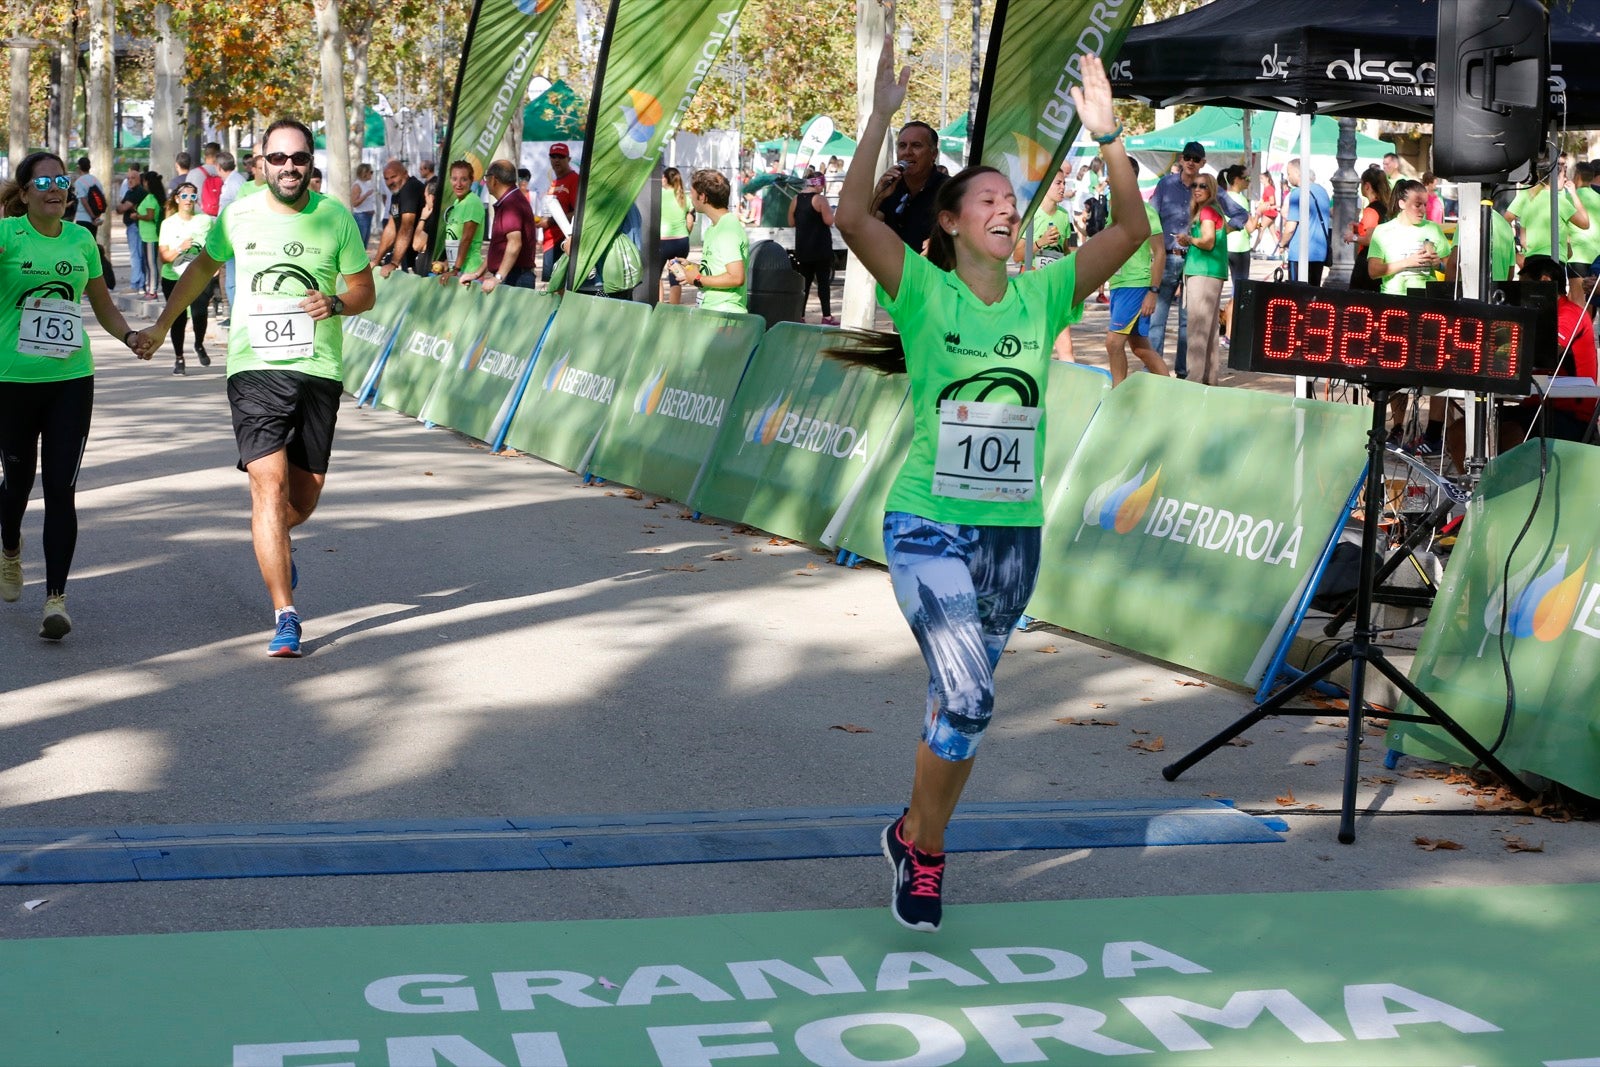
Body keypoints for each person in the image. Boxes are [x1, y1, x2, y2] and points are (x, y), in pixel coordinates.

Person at [833, 40, 1148, 933]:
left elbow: (1130, 234)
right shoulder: (925, 293)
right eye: (989, 201)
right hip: (929, 523)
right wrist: (882, 116)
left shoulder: (1042, 295)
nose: (1007, 209)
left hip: (1013, 538)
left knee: (956, 714)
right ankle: (928, 854)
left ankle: (910, 833)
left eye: (1013, 201)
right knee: (969, 694)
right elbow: (853, 212)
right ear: (951, 224)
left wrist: (1110, 137)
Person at [136, 119, 374, 658]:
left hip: (318, 367)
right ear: (260, 162)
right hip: (254, 366)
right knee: (268, 485)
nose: (289, 167)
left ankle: (275, 539)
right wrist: (159, 324)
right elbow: (201, 270)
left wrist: (335, 302)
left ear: (311, 163)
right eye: (278, 158)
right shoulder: (238, 214)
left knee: (302, 496)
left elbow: (364, 291)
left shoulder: (335, 217)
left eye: (299, 158)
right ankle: (285, 615)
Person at [0, 152, 151, 639]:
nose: (55, 187)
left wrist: (129, 336)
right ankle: (8, 547)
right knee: (17, 483)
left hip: (71, 380)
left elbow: (102, 305)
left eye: (62, 180)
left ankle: (55, 600)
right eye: (42, 181)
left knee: (61, 489)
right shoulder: (6, 237)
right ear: (23, 193)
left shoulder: (81, 239)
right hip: (12, 382)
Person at [1369, 178, 1457, 452]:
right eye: (1417, 204)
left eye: (1426, 204)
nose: (1423, 209)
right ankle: (1396, 427)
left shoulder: (1432, 228)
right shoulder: (1384, 231)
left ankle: (1433, 433)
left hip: (1429, 305)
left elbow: (1447, 258)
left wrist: (1437, 261)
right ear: (1401, 203)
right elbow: (1373, 271)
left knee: (1436, 368)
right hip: (1395, 304)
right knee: (1394, 368)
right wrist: (1408, 262)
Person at [1103, 157, 1169, 385]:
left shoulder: (1145, 211)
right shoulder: (1113, 210)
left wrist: (1153, 290)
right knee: (1140, 348)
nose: (1111, 178)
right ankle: (1171, 391)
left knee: (1113, 343)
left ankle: (1116, 397)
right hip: (1119, 286)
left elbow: (1160, 252)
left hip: (1137, 285)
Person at [1150, 140, 1204, 378]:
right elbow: (1151, 217)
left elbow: (1238, 215)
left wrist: (1213, 238)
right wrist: (1155, 251)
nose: (1191, 162)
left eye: (1196, 158)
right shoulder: (1166, 185)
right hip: (1168, 258)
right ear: (1181, 159)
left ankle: (1183, 372)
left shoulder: (1207, 187)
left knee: (1187, 323)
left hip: (1195, 261)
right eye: (1188, 157)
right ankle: (1153, 370)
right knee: (1157, 318)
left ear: (1203, 162)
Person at [157, 181, 218, 374]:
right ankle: (179, 358)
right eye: (184, 196)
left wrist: (215, 265)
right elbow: (164, 258)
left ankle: (199, 344)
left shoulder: (205, 220)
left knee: (200, 314)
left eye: (192, 196)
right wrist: (180, 248)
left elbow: (215, 247)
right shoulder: (168, 224)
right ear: (177, 199)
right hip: (173, 277)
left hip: (198, 276)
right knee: (178, 318)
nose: (188, 200)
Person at [1178, 173, 1228, 386]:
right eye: (1194, 185)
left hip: (1203, 273)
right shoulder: (1213, 210)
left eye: (1203, 186)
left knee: (1197, 328)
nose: (1197, 189)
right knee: (1209, 330)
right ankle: (1209, 378)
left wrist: (1188, 239)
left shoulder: (1207, 211)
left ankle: (1194, 378)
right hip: (1212, 272)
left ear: (1212, 190)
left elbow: (1207, 242)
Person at [460, 158, 538, 292]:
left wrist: (498, 277)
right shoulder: (510, 200)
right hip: (512, 275)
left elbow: (514, 244)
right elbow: (498, 247)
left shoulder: (511, 203)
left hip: (515, 278)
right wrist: (477, 274)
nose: (486, 182)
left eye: (486, 178)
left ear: (494, 179)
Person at [870, 120, 948, 250]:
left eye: (916, 145)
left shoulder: (949, 189)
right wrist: (878, 194)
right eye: (902, 146)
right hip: (894, 267)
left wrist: (943, 241)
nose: (908, 152)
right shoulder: (892, 185)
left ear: (933, 154)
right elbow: (865, 228)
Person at [676, 169, 747, 313]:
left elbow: (736, 277)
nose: (691, 199)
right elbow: (717, 269)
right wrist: (693, 267)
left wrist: (696, 279)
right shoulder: (714, 228)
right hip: (711, 310)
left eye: (692, 193)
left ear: (702, 197)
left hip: (724, 313)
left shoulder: (727, 230)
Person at [1505, 164, 1591, 262]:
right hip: (1554, 261)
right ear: (1555, 178)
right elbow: (1585, 223)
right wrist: (1574, 194)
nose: (1566, 179)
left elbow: (1524, 240)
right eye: (1564, 175)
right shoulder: (1558, 201)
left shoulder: (1528, 200)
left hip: (1531, 260)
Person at [1216, 164, 1256, 345]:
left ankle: (1221, 329)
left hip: (1225, 247)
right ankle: (1230, 335)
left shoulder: (1222, 197)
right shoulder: (1240, 200)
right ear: (1236, 180)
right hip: (1240, 249)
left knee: (1218, 291)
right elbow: (1250, 227)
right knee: (1238, 293)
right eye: (1246, 178)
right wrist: (1260, 212)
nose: (1249, 181)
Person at [790, 172, 837, 324]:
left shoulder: (796, 199)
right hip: (821, 248)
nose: (823, 188)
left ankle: (800, 315)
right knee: (823, 283)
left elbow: (791, 222)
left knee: (804, 284)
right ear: (817, 183)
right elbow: (829, 221)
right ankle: (827, 316)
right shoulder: (820, 199)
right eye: (822, 184)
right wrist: (834, 212)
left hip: (803, 248)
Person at [1276, 158, 1331, 286]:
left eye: (1289, 173)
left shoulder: (1298, 193)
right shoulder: (1322, 191)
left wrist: (1282, 244)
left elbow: (1290, 227)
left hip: (1300, 252)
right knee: (1313, 294)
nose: (1288, 178)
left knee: (1296, 295)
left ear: (1297, 173)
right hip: (1319, 252)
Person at [372, 160, 425, 276]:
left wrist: (394, 263)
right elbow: (391, 228)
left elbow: (407, 226)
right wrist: (376, 260)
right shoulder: (397, 194)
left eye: (393, 177)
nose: (390, 182)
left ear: (405, 174)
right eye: (386, 179)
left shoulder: (410, 188)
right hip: (410, 254)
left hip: (424, 254)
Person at [537, 143, 580, 283]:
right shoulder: (554, 182)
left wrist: (549, 221)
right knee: (550, 287)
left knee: (559, 287)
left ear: (569, 159)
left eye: (561, 157)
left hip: (563, 243)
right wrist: (540, 221)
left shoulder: (574, 180)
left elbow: (578, 213)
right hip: (549, 242)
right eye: (553, 156)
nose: (556, 160)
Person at [436, 160, 485, 282]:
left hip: (469, 271)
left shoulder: (472, 202)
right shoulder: (458, 203)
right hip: (457, 270)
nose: (458, 184)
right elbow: (455, 240)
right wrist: (447, 264)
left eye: (463, 179)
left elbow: (466, 239)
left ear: (471, 180)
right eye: (454, 179)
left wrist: (455, 269)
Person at [1345, 165, 1390, 292]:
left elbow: (1370, 239)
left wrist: (1352, 237)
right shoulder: (1385, 208)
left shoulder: (1371, 210)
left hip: (1367, 261)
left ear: (1367, 186)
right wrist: (1359, 228)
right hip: (1382, 259)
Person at [659, 167, 694, 305]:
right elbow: (690, 221)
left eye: (662, 177)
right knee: (676, 277)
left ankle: (659, 306)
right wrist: (685, 234)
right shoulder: (684, 196)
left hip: (663, 241)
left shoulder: (659, 194)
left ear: (666, 179)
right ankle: (674, 309)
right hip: (681, 241)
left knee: (655, 276)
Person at [117, 164, 148, 296]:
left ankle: (137, 284)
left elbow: (122, 208)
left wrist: (125, 206)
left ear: (139, 179)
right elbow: (119, 208)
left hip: (136, 227)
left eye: (133, 178)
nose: (130, 180)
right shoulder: (130, 191)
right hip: (132, 226)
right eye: (128, 178)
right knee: (137, 255)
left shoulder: (138, 192)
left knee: (136, 255)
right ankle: (140, 283)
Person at [134, 172, 166, 298]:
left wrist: (137, 216)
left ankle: (153, 290)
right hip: (146, 236)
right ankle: (150, 288)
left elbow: (150, 216)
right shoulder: (151, 198)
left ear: (147, 182)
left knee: (151, 264)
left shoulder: (151, 199)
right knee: (148, 263)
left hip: (151, 236)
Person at [70, 156, 105, 238]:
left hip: (82, 217)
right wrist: (96, 217)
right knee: (92, 241)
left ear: (79, 167)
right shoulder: (96, 180)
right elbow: (101, 200)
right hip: (95, 219)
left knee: (82, 242)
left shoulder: (79, 182)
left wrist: (92, 216)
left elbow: (83, 200)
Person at [350, 163, 378, 248]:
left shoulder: (367, 183)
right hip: (361, 216)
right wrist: (365, 195)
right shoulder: (357, 185)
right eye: (371, 172)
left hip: (368, 216)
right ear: (364, 173)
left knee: (365, 241)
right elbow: (354, 203)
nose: (372, 174)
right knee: (360, 241)